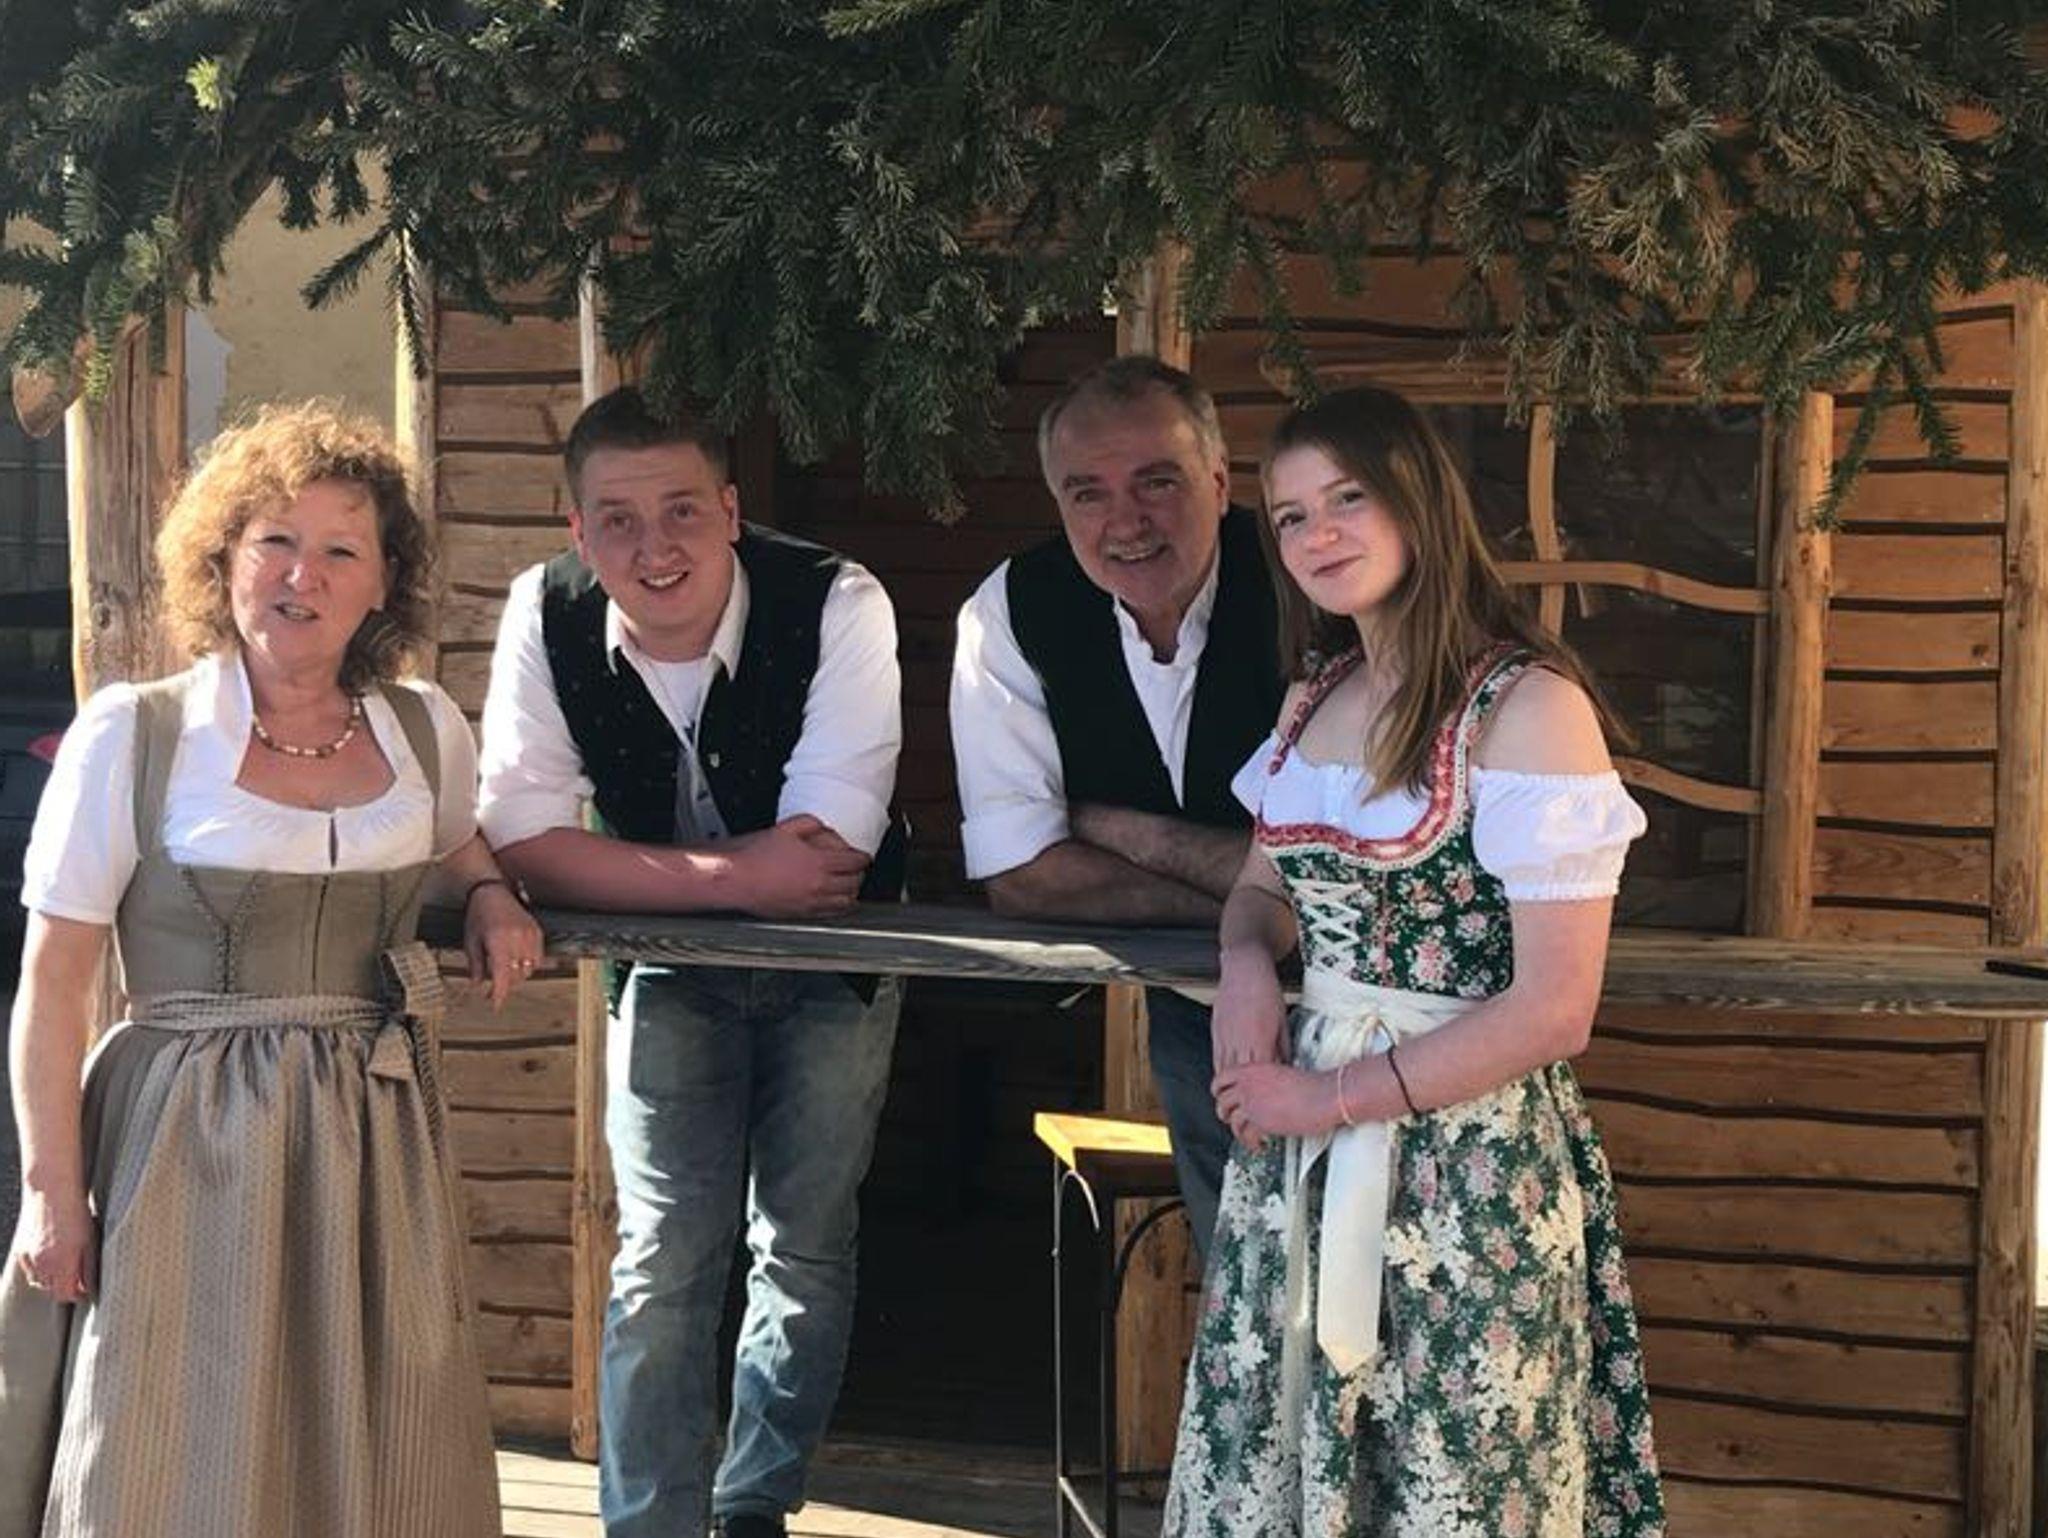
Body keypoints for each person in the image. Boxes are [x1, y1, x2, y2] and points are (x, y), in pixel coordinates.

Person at [0, 401, 543, 1538]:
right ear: (222, 559)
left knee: (374, 1418)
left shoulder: (423, 729)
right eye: (275, 541)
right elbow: (52, 980)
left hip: (372, 1131)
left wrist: (492, 893)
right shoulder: (136, 736)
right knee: (176, 1417)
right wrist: (52, 1191)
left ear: (383, 580)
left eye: (342, 548)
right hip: (183, 1133)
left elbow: (458, 843)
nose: (304, 574)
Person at [1164, 386, 1666, 1536]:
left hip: (1462, 1167)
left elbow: (1554, 1007)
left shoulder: (1526, 708)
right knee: (1281, 1450)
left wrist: (1326, 1096)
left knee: (1453, 1468)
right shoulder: (1313, 696)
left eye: (1346, 497)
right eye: (1290, 516)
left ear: (1418, 502)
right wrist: (1246, 967)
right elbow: (1260, 889)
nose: (1317, 533)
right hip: (1296, 1154)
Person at [477, 387, 903, 1538]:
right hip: (661, 970)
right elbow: (520, 841)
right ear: (577, 531)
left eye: (679, 510)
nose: (651, 545)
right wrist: (736, 876)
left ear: (729, 509)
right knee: (661, 1254)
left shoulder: (838, 597)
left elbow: (827, 851)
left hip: (833, 966)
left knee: (802, 1244)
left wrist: (619, 870)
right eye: (616, 519)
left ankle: (753, 1505)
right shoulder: (543, 609)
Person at [949, 355, 1284, 1255]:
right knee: (1241, 1281)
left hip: (1378, 1012)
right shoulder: (1011, 610)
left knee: (1388, 1291)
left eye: (1157, 482)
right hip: (1194, 1003)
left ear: (1220, 480)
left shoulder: (1306, 582)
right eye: (1087, 493)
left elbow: (1353, 870)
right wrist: (1257, 914)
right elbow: (1023, 879)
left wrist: (1122, 832)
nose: (1125, 521)